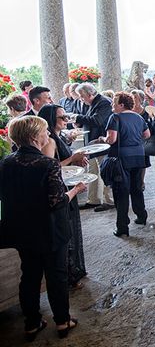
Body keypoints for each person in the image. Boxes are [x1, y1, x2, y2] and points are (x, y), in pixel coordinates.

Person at [0, 116, 87, 340]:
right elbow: (57, 201)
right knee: (56, 275)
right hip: (49, 229)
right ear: (33, 137)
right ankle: (62, 321)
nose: (48, 134)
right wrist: (76, 189)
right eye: (45, 131)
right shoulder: (47, 164)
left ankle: (32, 322)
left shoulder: (6, 162)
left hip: (21, 228)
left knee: (29, 275)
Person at [38, 105, 89, 289]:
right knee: (65, 233)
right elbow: (50, 168)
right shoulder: (50, 141)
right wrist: (72, 159)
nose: (65, 120)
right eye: (62, 117)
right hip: (60, 191)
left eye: (66, 116)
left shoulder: (58, 137)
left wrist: (76, 159)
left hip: (67, 185)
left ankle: (71, 271)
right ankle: (68, 274)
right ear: (51, 119)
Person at [99, 92, 150, 236]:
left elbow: (111, 139)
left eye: (114, 103)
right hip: (138, 156)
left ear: (121, 105)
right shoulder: (138, 117)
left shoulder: (114, 117)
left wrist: (102, 139)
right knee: (136, 187)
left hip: (121, 158)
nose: (111, 105)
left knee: (121, 192)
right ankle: (141, 216)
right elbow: (147, 135)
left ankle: (122, 227)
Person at [74, 83, 114, 212]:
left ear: (90, 94)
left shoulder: (103, 102)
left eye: (82, 96)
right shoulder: (92, 103)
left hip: (101, 144)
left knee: (104, 171)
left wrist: (77, 117)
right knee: (93, 171)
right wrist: (78, 121)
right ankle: (94, 200)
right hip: (93, 144)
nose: (81, 99)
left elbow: (98, 121)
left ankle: (109, 200)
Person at [131, 89, 153, 190]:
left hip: (143, 140)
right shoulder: (129, 111)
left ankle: (141, 181)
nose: (133, 99)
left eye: (135, 97)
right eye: (132, 97)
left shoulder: (146, 111)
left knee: (143, 162)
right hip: (131, 140)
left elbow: (151, 127)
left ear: (141, 99)